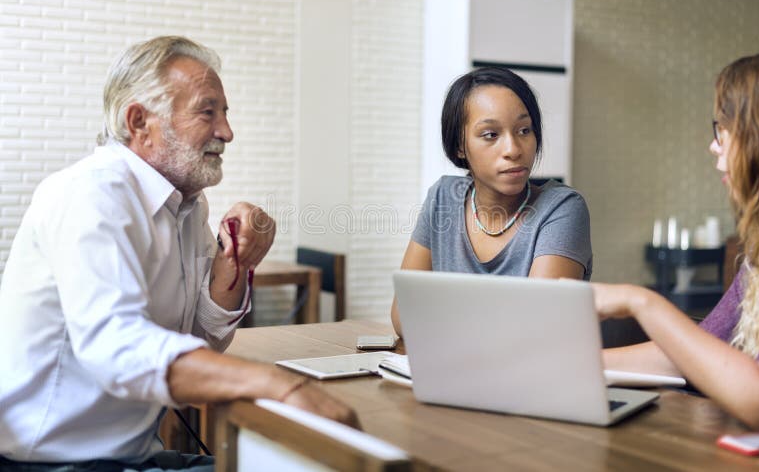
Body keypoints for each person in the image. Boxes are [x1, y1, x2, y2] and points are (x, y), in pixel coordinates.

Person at [0, 36, 357, 471]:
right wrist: (280, 385)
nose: (227, 132)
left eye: (225, 114)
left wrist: (236, 263)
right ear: (139, 122)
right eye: (208, 112)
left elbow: (198, 342)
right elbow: (117, 349)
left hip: (132, 456)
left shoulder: (187, 205)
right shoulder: (90, 194)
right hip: (54, 464)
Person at [594, 48, 759, 430]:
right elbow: (694, 352)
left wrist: (641, 302)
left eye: (725, 129)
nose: (714, 145)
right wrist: (570, 364)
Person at [391, 67, 592, 335]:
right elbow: (404, 315)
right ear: (459, 147)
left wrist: (442, 318)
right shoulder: (443, 197)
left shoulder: (562, 209)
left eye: (524, 130)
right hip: (451, 369)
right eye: (491, 135)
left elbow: (536, 327)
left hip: (535, 375)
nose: (513, 150)